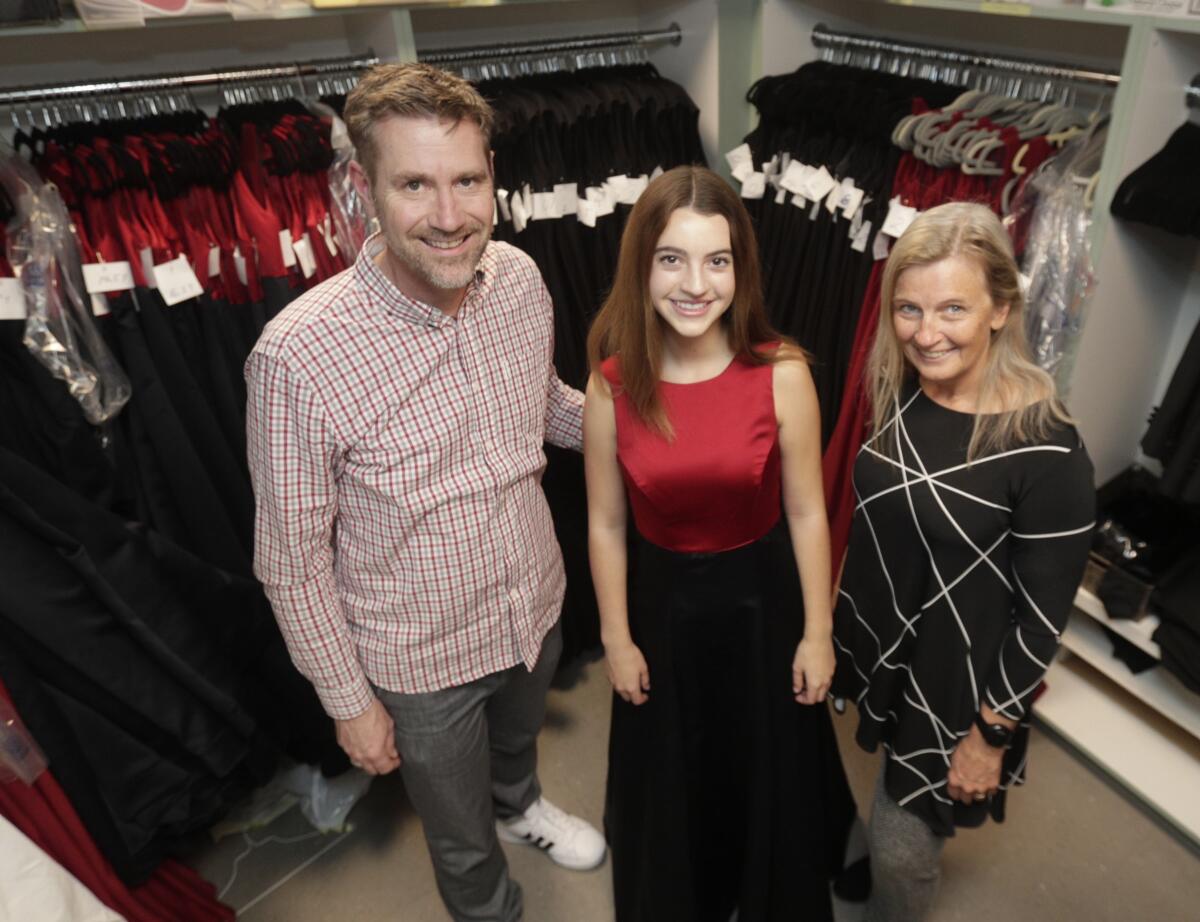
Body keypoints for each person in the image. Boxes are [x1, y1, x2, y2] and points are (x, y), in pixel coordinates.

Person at [244, 63, 605, 922]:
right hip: (420, 663)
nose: (449, 216)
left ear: (491, 178)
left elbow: (546, 407)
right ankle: (492, 908)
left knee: (516, 749)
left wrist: (666, 422)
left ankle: (521, 807)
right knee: (455, 833)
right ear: (364, 189)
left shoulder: (516, 278)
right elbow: (290, 563)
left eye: (467, 180)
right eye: (414, 184)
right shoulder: (298, 355)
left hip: (534, 606)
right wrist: (350, 705)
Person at [583, 165, 857, 922]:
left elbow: (808, 512)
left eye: (717, 260)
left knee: (765, 769)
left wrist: (818, 633)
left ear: (742, 268)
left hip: (761, 607)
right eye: (672, 258)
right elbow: (605, 522)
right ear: (643, 265)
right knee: (675, 774)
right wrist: (616, 636)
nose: (695, 284)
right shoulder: (613, 383)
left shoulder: (783, 374)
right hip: (662, 611)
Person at [831, 201, 1095, 922]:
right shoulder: (904, 388)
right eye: (909, 309)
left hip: (956, 690)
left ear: (1001, 309)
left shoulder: (1047, 448)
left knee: (903, 849)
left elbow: (1042, 621)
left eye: (953, 308)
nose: (925, 332)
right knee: (868, 803)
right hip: (886, 649)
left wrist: (989, 738)